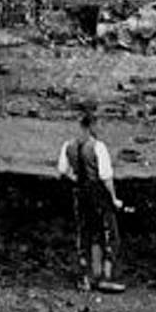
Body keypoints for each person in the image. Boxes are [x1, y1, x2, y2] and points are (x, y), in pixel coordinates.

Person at [57, 107, 126, 292]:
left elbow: (63, 171)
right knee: (108, 235)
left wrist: (78, 181)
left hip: (80, 194)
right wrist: (114, 198)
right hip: (98, 195)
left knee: (85, 234)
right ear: (90, 126)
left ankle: (86, 278)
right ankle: (106, 277)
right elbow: (106, 177)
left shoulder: (68, 146)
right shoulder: (97, 147)